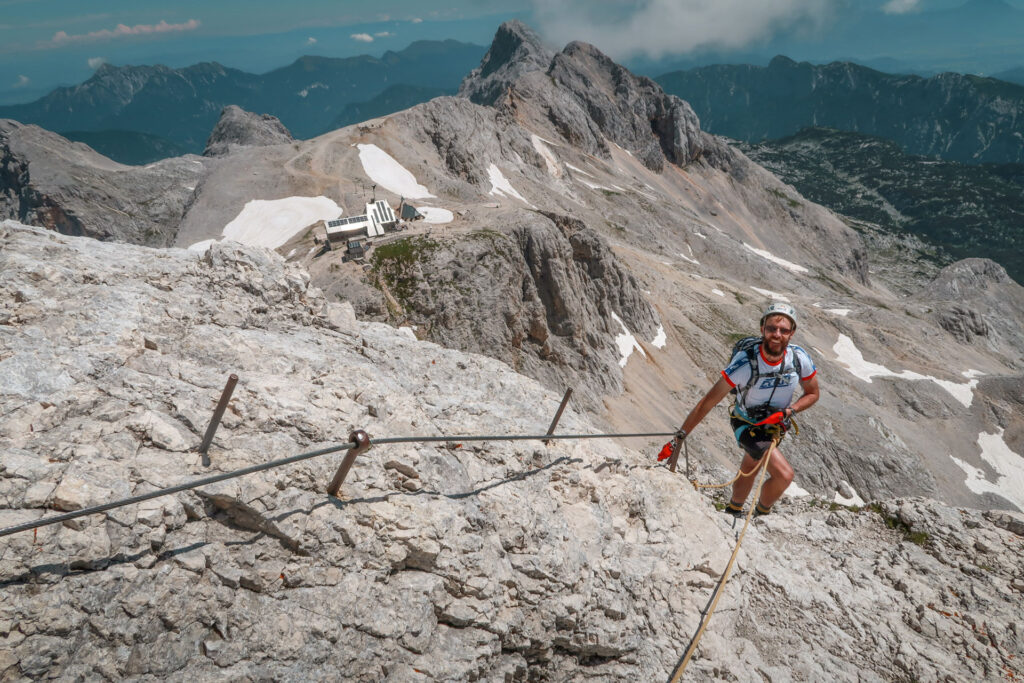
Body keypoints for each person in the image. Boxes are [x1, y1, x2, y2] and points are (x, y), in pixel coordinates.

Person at [674, 302, 819, 516]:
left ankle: (734, 508)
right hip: (746, 422)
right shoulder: (745, 363)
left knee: (752, 462)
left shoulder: (799, 359)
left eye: (783, 330)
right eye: (771, 328)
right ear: (762, 329)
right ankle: (761, 514)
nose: (776, 334)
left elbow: (813, 393)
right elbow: (708, 401)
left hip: (776, 423)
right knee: (783, 474)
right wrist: (680, 436)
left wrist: (790, 411)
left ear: (792, 333)